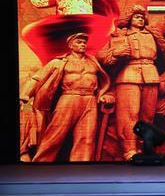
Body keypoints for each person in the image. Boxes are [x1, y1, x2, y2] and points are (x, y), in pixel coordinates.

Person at [98, 2, 165, 160]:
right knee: (129, 115)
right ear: (129, 19)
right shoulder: (119, 36)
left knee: (147, 116)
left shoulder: (152, 34)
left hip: (151, 76)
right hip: (128, 76)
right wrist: (116, 52)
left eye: (142, 17)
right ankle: (129, 150)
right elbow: (101, 56)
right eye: (137, 17)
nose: (140, 19)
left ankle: (145, 147)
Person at [20, 33, 114, 162]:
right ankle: (41, 163)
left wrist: (106, 94)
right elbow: (38, 78)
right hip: (69, 98)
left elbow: (104, 82)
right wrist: (24, 95)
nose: (82, 44)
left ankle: (81, 167)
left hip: (89, 100)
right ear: (70, 45)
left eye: (84, 42)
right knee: (55, 134)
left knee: (86, 138)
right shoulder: (59, 62)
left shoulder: (93, 62)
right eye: (79, 42)